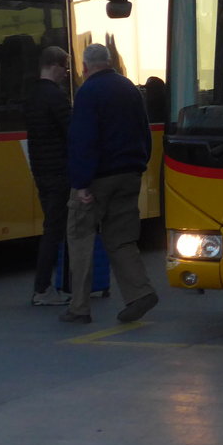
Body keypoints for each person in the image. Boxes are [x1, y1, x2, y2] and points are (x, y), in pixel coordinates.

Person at [60, 43, 158, 325]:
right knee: (121, 239)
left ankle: (79, 307)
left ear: (85, 67)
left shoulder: (88, 92)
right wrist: (138, 165)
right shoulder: (129, 88)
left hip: (98, 178)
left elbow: (82, 140)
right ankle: (140, 293)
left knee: (80, 237)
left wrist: (81, 183)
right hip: (129, 174)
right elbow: (144, 131)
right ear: (110, 61)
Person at [25, 45, 72, 306]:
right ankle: (43, 289)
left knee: (53, 227)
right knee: (55, 230)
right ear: (55, 66)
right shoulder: (55, 97)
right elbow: (71, 132)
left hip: (40, 170)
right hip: (59, 172)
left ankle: (53, 286)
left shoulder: (31, 96)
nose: (66, 73)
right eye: (64, 67)